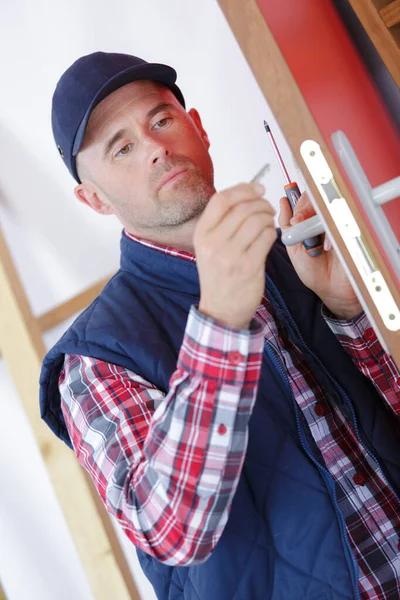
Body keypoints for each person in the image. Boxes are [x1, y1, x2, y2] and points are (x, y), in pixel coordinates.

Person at [40, 51, 400, 600]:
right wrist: (221, 323)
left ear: (199, 129)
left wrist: (347, 313)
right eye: (122, 147)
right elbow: (170, 532)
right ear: (94, 200)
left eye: (161, 120)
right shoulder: (91, 358)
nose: (156, 148)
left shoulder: (301, 251)